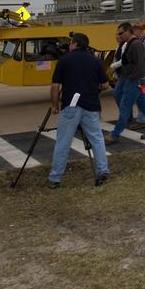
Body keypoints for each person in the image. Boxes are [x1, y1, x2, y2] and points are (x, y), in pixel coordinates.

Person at [47, 32, 110, 188]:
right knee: (97, 139)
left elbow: (55, 86)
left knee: (63, 142)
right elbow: (105, 85)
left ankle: (55, 178)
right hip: (91, 105)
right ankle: (102, 170)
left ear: (74, 44)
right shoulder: (95, 61)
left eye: (70, 43)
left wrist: (55, 105)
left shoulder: (64, 60)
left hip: (71, 106)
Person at [105, 22, 145, 144]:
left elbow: (140, 64)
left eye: (121, 33)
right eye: (118, 34)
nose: (119, 36)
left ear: (128, 31)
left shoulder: (135, 44)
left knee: (125, 107)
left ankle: (115, 134)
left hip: (134, 80)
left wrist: (135, 79)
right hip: (134, 79)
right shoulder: (131, 44)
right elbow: (126, 61)